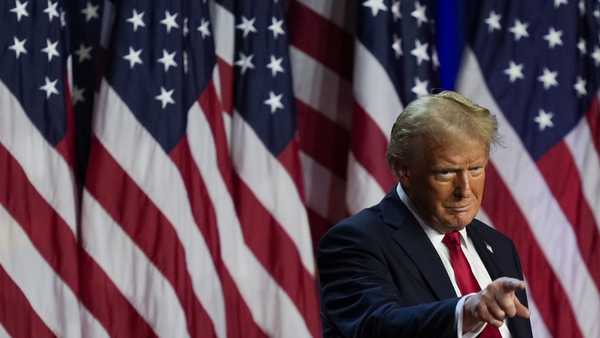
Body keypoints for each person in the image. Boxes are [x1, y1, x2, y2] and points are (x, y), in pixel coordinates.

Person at [317, 91, 533, 338]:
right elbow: (374, 327)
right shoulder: (355, 241)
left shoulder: (499, 246)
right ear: (403, 170)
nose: (465, 190)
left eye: (475, 169)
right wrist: (466, 312)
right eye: (445, 173)